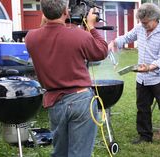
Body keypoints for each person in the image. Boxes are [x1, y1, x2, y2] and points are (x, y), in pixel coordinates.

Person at [25, 0, 108, 156]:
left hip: (54, 102)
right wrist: (91, 26)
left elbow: (43, 33)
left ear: (43, 12)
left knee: (60, 152)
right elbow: (102, 51)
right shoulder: (78, 34)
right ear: (66, 11)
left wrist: (46, 19)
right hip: (81, 100)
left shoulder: (31, 38)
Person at [108, 3, 160, 146]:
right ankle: (145, 135)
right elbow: (127, 38)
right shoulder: (140, 28)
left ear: (155, 19)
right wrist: (114, 42)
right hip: (142, 78)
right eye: (141, 22)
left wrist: (150, 67)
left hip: (159, 78)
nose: (143, 24)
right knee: (142, 107)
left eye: (145, 22)